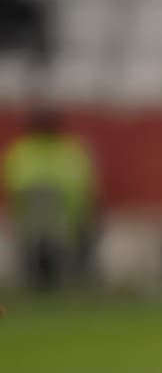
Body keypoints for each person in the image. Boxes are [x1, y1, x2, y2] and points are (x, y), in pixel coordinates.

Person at [2, 106, 96, 289]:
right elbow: (83, 187)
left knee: (31, 235)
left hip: (30, 221)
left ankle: (32, 278)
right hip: (64, 221)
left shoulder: (20, 151)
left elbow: (12, 187)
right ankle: (75, 279)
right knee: (85, 231)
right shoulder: (70, 151)